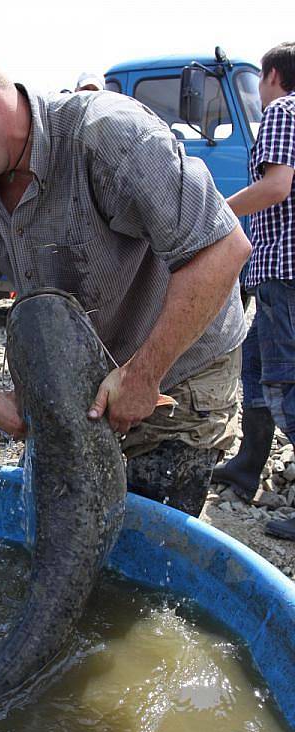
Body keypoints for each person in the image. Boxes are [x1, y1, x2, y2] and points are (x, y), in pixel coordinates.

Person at [0, 39, 251, 517]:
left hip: (179, 369)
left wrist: (145, 374)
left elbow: (223, 250)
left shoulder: (106, 134)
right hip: (85, 379)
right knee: (64, 526)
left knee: (145, 539)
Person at [212, 42, 295, 541]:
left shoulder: (283, 111)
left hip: (284, 272)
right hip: (276, 273)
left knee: (285, 382)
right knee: (258, 367)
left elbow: (275, 187)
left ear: (270, 77)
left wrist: (217, 213)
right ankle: (248, 465)